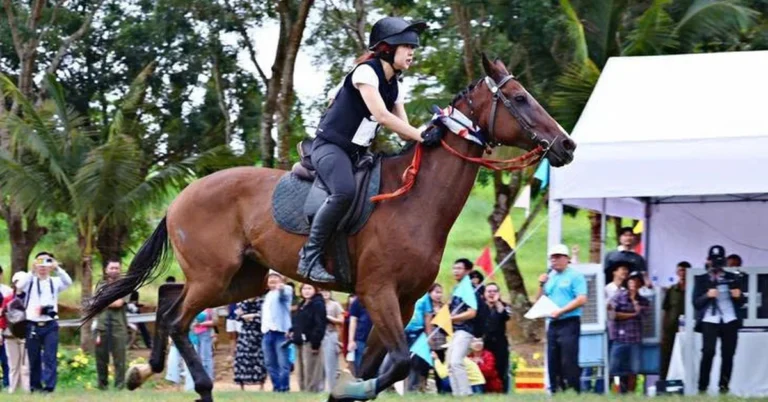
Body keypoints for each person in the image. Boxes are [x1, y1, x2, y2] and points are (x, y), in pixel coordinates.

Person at [297, 16, 445, 283]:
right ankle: (309, 257)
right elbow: (383, 116)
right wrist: (421, 136)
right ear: (388, 48)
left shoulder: (395, 85)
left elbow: (403, 128)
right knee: (344, 192)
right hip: (329, 148)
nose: (412, 52)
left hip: (357, 154)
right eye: (407, 47)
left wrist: (433, 131)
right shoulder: (366, 73)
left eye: (413, 48)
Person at [16, 252, 72, 393]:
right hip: (32, 324)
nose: (43, 266)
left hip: (50, 324)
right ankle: (35, 386)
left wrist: (57, 268)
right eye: (40, 263)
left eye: (46, 263)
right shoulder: (30, 281)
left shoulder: (54, 282)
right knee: (33, 357)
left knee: (50, 356)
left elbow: (68, 282)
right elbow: (20, 286)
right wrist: (32, 270)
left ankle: (49, 386)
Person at [693, 245, 746, 395]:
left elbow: (742, 301)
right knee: (708, 352)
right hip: (710, 319)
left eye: (719, 260)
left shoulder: (732, 277)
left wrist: (739, 295)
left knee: (728, 354)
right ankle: (702, 388)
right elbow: (696, 303)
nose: (716, 264)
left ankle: (724, 387)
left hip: (729, 319)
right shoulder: (702, 279)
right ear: (708, 261)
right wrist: (707, 295)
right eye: (713, 260)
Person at [536, 244, 587, 394]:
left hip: (569, 321)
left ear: (566, 259)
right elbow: (540, 300)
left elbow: (581, 299)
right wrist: (541, 284)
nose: (554, 260)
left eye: (558, 257)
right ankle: (556, 391)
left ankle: (572, 391)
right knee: (553, 358)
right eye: (552, 258)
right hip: (553, 322)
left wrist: (562, 310)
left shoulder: (575, 276)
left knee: (568, 359)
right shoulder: (550, 277)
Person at [608, 271, 649, 393]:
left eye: (636, 281)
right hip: (619, 339)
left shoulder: (643, 300)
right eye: (631, 280)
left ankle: (630, 395)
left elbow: (644, 316)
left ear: (640, 284)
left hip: (635, 340)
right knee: (614, 369)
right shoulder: (619, 296)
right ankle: (617, 391)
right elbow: (613, 315)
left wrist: (635, 303)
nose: (633, 283)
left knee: (634, 370)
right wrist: (632, 314)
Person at [94, 260, 129, 390]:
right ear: (106, 270)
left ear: (120, 270)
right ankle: (102, 386)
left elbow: (119, 303)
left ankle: (119, 385)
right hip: (102, 326)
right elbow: (97, 302)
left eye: (117, 268)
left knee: (120, 358)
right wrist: (106, 300)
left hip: (118, 327)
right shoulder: (100, 286)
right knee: (101, 358)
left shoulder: (125, 286)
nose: (114, 270)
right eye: (111, 268)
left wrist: (104, 300)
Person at [448, 258, 479, 397]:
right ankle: (457, 395)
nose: (456, 271)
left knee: (456, 362)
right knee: (449, 364)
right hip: (455, 331)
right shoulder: (458, 288)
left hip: (465, 331)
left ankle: (466, 394)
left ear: (468, 271)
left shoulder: (468, 288)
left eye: (459, 268)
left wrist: (452, 318)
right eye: (454, 268)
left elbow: (472, 312)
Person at [404, 284, 440, 392]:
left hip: (418, 333)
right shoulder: (402, 291)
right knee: (402, 362)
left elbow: (427, 316)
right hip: (403, 333)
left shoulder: (423, 296)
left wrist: (429, 336)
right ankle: (404, 389)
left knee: (416, 362)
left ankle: (413, 389)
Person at [261, 272, 293, 392]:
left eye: (276, 278)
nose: (273, 280)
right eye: (270, 279)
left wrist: (281, 288)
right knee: (269, 362)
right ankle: (276, 386)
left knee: (283, 362)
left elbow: (284, 295)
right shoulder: (267, 295)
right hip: (267, 332)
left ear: (281, 280)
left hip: (280, 332)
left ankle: (284, 387)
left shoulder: (286, 289)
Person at [293, 284, 327, 392]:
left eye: (309, 288)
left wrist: (315, 343)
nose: (306, 291)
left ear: (315, 290)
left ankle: (312, 390)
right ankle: (303, 390)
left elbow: (320, 324)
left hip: (311, 341)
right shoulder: (302, 303)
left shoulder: (318, 304)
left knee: (311, 368)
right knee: (301, 369)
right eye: (304, 288)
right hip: (299, 341)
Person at [1, 271, 30, 393]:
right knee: (13, 364)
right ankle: (12, 388)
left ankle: (26, 389)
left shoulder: (30, 298)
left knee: (26, 364)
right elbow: (2, 317)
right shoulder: (8, 299)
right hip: (10, 334)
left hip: (25, 335)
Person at [660, 261, 689, 379]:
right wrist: (662, 332)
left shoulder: (694, 289)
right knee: (667, 356)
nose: (683, 273)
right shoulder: (671, 290)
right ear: (677, 272)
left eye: (685, 270)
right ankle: (664, 382)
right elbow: (665, 311)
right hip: (671, 330)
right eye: (680, 270)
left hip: (688, 329)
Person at [483, 283, 511, 393]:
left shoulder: (504, 306)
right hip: (484, 342)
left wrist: (497, 302)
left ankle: (502, 391)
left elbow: (506, 316)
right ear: (484, 293)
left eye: (494, 291)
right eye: (489, 291)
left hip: (500, 342)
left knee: (501, 368)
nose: (491, 294)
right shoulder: (480, 307)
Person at [234, 296, 266, 390]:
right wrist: (250, 316)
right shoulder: (242, 303)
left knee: (259, 358)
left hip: (257, 334)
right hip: (244, 334)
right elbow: (238, 316)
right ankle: (241, 384)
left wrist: (251, 316)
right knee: (242, 358)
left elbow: (263, 317)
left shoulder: (262, 302)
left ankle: (261, 383)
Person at [320, 289, 344, 391]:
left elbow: (341, 321)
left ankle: (333, 390)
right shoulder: (317, 304)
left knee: (331, 365)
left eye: (327, 291)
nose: (325, 293)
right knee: (319, 366)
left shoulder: (335, 305)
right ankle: (319, 389)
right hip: (318, 336)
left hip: (330, 334)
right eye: (322, 291)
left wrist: (327, 317)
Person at [348, 296, 372, 377]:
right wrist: (351, 340)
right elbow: (353, 321)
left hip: (378, 341)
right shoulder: (358, 301)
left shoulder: (381, 299)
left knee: (376, 368)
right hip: (361, 340)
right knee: (360, 368)